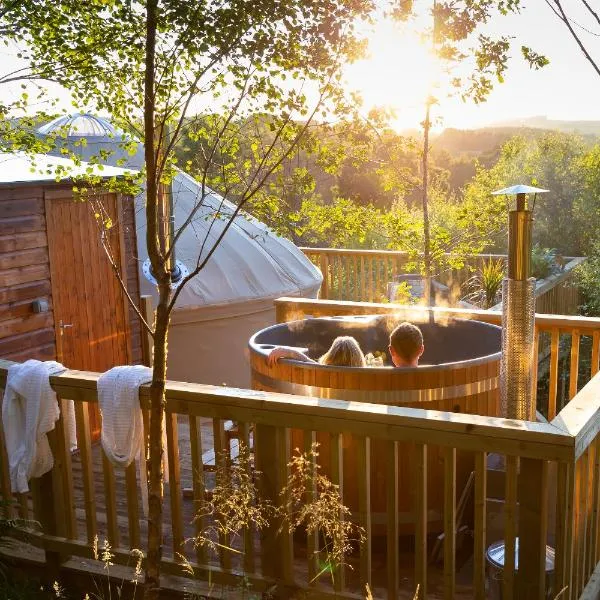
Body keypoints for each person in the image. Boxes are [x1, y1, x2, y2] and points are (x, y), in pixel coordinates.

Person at [266, 335, 366, 367]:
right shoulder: (364, 375)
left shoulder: (325, 373)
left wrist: (286, 351)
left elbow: (308, 363)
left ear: (331, 355)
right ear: (359, 357)